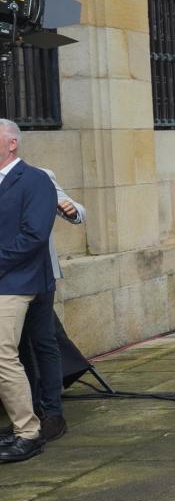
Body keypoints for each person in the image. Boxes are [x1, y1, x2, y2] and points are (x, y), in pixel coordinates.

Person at [0, 120, 57, 465]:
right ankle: (18, 426)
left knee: (3, 356)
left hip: (17, 282)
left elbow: (34, 235)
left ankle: (28, 433)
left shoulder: (35, 180)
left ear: (12, 144)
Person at [19, 166, 85, 442]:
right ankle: (29, 412)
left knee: (43, 340)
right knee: (16, 347)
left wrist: (70, 209)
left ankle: (53, 413)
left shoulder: (39, 175)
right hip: (6, 276)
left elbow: (77, 211)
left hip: (39, 274)